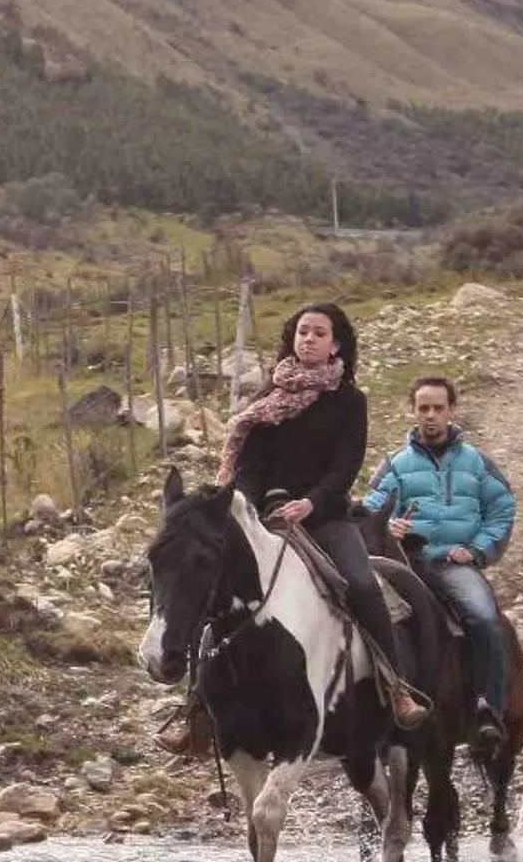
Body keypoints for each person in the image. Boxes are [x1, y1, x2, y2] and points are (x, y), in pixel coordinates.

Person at [157, 303, 429, 756]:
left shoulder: (349, 401)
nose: (309, 340)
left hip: (325, 518)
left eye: (319, 333)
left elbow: (346, 464)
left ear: (336, 343)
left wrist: (313, 502)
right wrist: (246, 500)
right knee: (214, 593)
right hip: (264, 516)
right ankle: (197, 710)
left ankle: (394, 684)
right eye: (303, 332)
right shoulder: (268, 395)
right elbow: (247, 462)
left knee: (362, 585)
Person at [361, 375, 516, 749]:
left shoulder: (476, 462)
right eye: (423, 408)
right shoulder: (394, 465)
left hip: (452, 564)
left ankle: (487, 706)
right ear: (412, 411)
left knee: (483, 618)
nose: (430, 416)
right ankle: (379, 710)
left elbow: (502, 508)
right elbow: (369, 510)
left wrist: (477, 550)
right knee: (368, 622)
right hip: (405, 564)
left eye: (437, 408)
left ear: (451, 410)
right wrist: (388, 524)